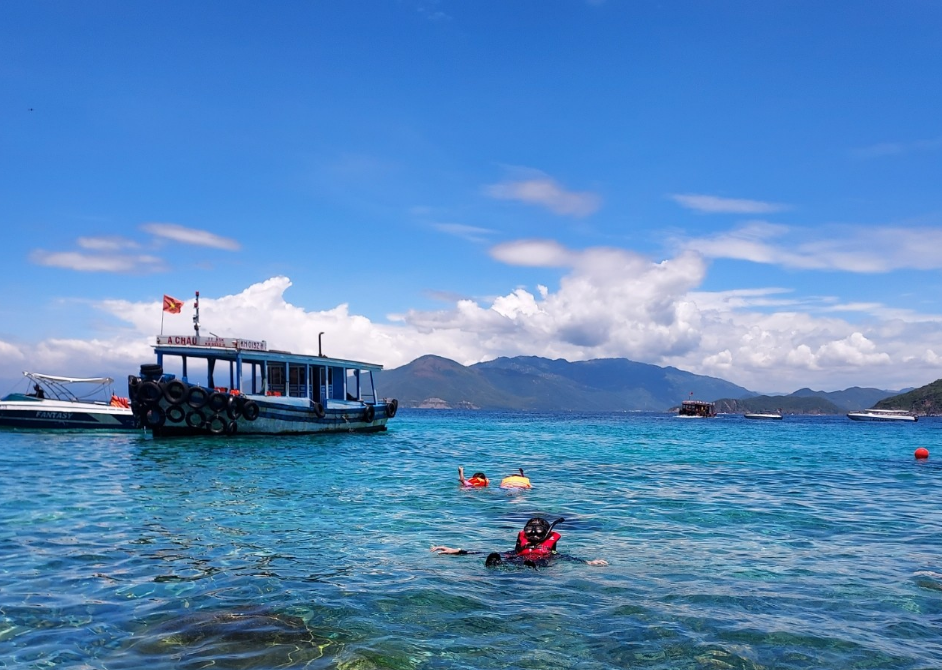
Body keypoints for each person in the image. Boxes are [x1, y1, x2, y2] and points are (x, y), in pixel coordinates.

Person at [431, 517, 608, 567]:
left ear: (546, 533)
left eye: (537, 532)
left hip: (542, 561)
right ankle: (495, 565)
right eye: (530, 531)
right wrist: (458, 551)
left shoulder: (550, 550)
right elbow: (483, 552)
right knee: (499, 556)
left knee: (540, 561)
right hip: (517, 558)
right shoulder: (519, 547)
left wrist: (587, 562)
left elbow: (566, 557)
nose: (533, 534)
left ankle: (530, 567)